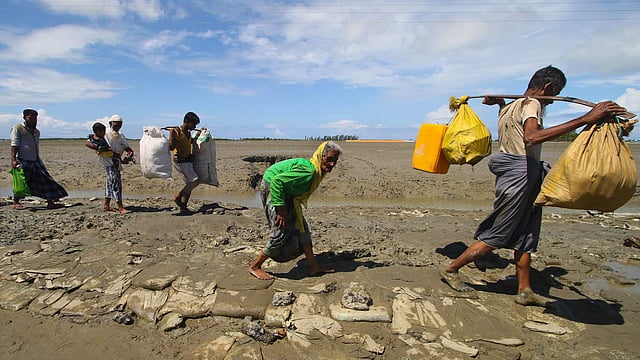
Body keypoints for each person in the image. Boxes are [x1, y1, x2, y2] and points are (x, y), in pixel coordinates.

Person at [440, 66, 628, 306]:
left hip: (521, 171)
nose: (553, 100)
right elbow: (531, 137)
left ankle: (525, 290)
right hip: (519, 172)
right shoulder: (532, 105)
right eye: (556, 92)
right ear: (548, 88)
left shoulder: (510, 107)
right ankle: (452, 269)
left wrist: (500, 103)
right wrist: (585, 119)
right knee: (501, 231)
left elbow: (517, 131)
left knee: (526, 231)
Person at [249, 141, 342, 280]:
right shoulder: (309, 172)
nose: (332, 164)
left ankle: (313, 266)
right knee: (281, 230)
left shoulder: (316, 171)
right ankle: (255, 266)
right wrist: (281, 211)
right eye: (329, 159)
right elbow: (276, 182)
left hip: (286, 192)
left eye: (335, 161)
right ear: (320, 156)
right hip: (272, 187)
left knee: (302, 227)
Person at [10, 109, 68, 210]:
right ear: (25, 118)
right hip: (23, 159)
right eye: (30, 118)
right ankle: (16, 202)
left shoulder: (36, 132)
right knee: (22, 181)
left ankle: (50, 202)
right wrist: (13, 160)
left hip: (35, 159)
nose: (33, 120)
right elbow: (14, 144)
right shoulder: (18, 128)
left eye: (35, 118)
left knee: (45, 179)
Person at [86, 122, 129, 214]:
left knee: (109, 183)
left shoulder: (104, 137)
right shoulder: (98, 139)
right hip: (109, 162)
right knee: (116, 183)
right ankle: (120, 207)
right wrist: (98, 148)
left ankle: (106, 205)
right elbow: (88, 143)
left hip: (114, 160)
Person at [168, 112, 205, 215]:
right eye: (193, 124)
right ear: (187, 122)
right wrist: (171, 133)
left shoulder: (188, 132)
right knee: (195, 181)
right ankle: (178, 197)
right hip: (180, 161)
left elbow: (191, 141)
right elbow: (171, 147)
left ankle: (183, 207)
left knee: (189, 184)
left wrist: (199, 133)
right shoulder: (176, 131)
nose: (194, 127)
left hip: (187, 160)